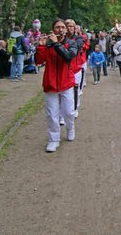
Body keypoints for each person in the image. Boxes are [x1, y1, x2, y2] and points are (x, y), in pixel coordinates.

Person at [36, 19, 77, 152]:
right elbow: (38, 61)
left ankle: (70, 128)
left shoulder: (71, 43)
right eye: (57, 27)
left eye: (62, 27)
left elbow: (68, 57)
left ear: (66, 30)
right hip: (50, 83)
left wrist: (55, 44)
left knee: (69, 112)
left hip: (66, 83)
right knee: (52, 114)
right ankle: (53, 139)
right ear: (53, 30)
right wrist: (41, 46)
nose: (59, 30)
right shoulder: (48, 44)